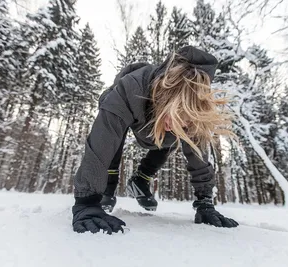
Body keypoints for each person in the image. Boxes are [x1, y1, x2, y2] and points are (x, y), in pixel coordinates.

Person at [72, 46, 239, 234]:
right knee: (113, 138)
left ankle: (141, 179)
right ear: (166, 99)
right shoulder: (129, 89)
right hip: (131, 110)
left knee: (179, 134)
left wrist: (205, 202)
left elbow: (198, 156)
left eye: (185, 121)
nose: (179, 124)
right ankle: (108, 190)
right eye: (177, 116)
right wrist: (87, 202)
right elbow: (102, 142)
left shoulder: (191, 116)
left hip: (155, 126)